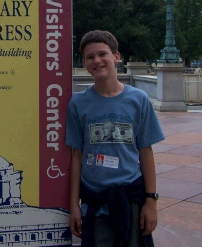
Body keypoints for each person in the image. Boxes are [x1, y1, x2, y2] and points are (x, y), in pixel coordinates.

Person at [66, 30, 165, 247]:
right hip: (95, 199)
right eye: (90, 57)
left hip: (131, 198)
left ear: (116, 57)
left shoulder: (138, 100)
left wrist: (151, 201)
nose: (97, 61)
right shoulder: (78, 103)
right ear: (84, 62)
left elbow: (145, 152)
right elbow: (76, 156)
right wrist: (74, 206)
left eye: (103, 54)